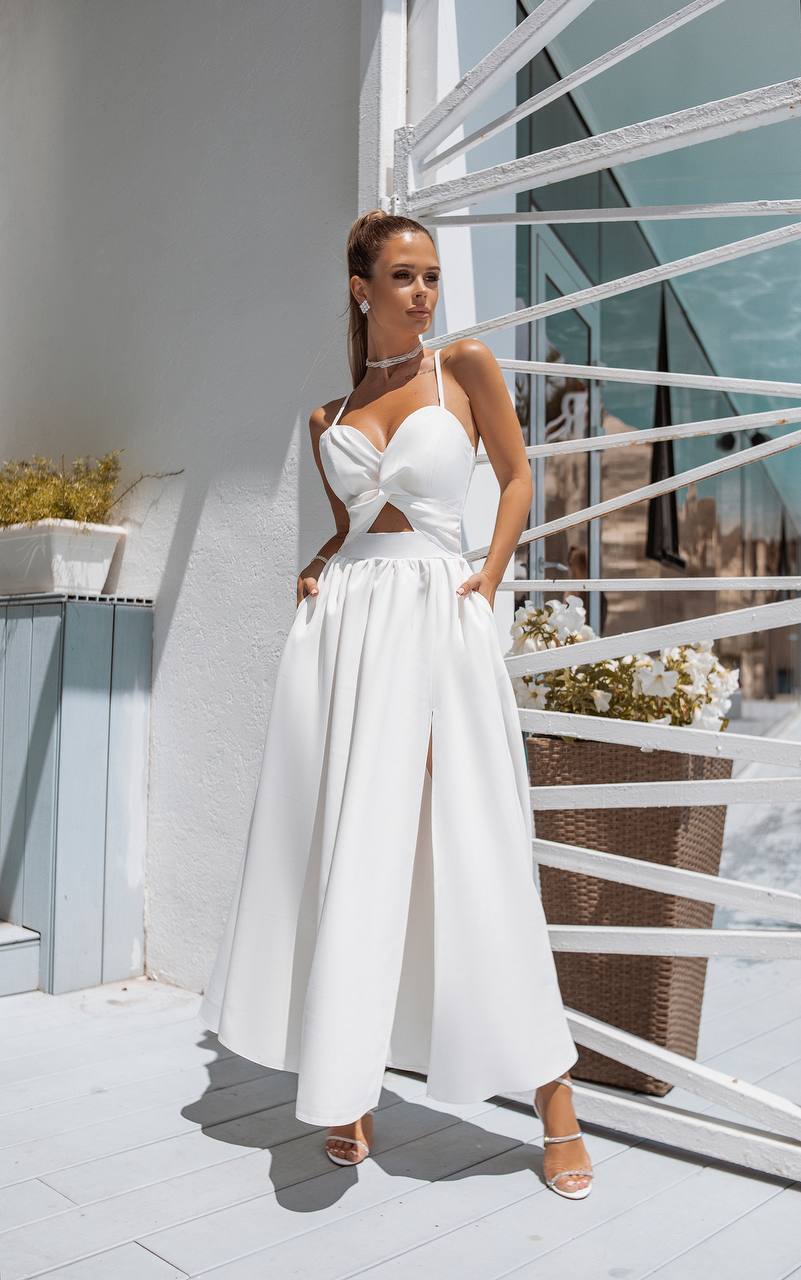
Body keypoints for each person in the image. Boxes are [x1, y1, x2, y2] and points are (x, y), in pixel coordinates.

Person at [200, 209, 593, 1200]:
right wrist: (319, 565)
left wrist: (488, 579)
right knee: (351, 848)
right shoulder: (325, 419)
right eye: (404, 276)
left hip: (437, 613)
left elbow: (515, 479)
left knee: (473, 847)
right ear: (359, 286)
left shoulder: (462, 367)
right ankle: (351, 1080)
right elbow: (354, 521)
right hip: (344, 637)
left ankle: (557, 1104)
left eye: (431, 276)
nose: (423, 292)